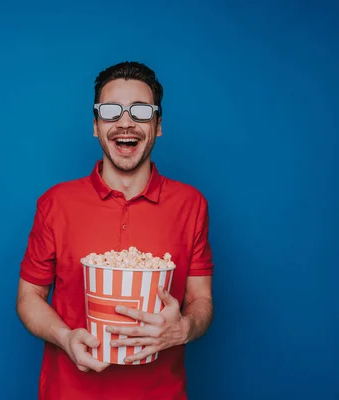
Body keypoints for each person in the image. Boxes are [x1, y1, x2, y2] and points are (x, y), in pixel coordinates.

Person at [16, 61, 214, 400]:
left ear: (158, 124)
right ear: (95, 125)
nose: (126, 122)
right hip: (70, 391)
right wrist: (65, 338)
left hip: (160, 392)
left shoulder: (190, 204)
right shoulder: (55, 203)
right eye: (111, 111)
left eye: (140, 111)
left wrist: (183, 328)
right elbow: (28, 297)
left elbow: (201, 300)